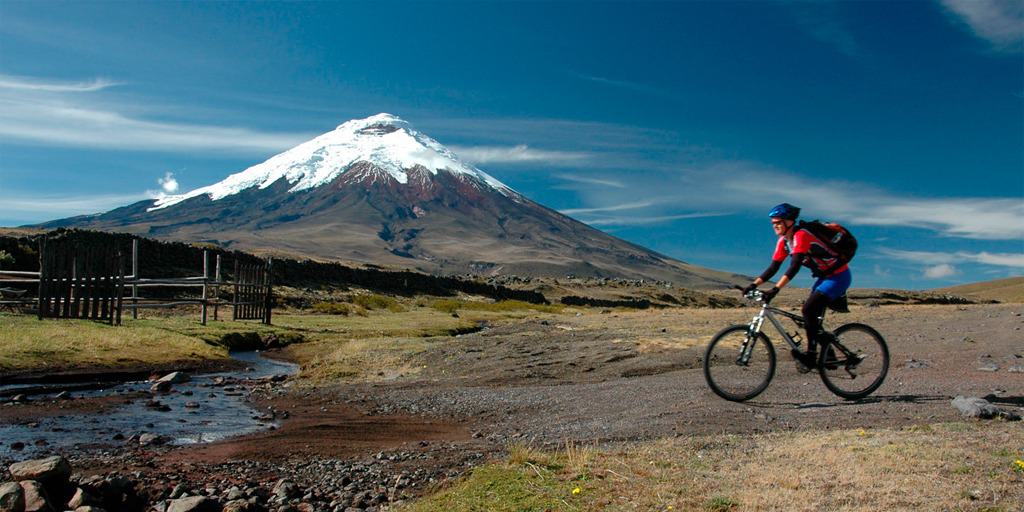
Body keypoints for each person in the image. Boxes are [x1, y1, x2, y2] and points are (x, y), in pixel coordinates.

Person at [741, 203, 852, 372]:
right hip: (824, 278)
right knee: (810, 319)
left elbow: (794, 266)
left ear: (789, 222)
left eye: (778, 222)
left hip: (839, 276)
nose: (775, 226)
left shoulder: (801, 235)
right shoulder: (784, 242)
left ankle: (811, 355)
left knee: (808, 310)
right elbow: (773, 268)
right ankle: (828, 354)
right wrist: (753, 284)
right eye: (773, 223)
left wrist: (776, 289)